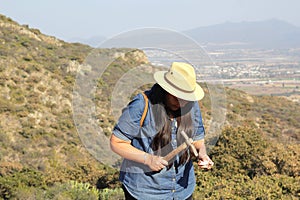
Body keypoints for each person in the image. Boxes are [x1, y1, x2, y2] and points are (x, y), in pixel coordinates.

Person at [110, 62, 213, 200]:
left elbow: (198, 140)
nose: (181, 103)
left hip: (182, 191)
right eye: (176, 97)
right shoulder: (142, 104)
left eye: (185, 98)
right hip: (145, 191)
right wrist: (148, 159)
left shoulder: (191, 105)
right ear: (166, 90)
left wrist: (203, 154)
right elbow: (117, 143)